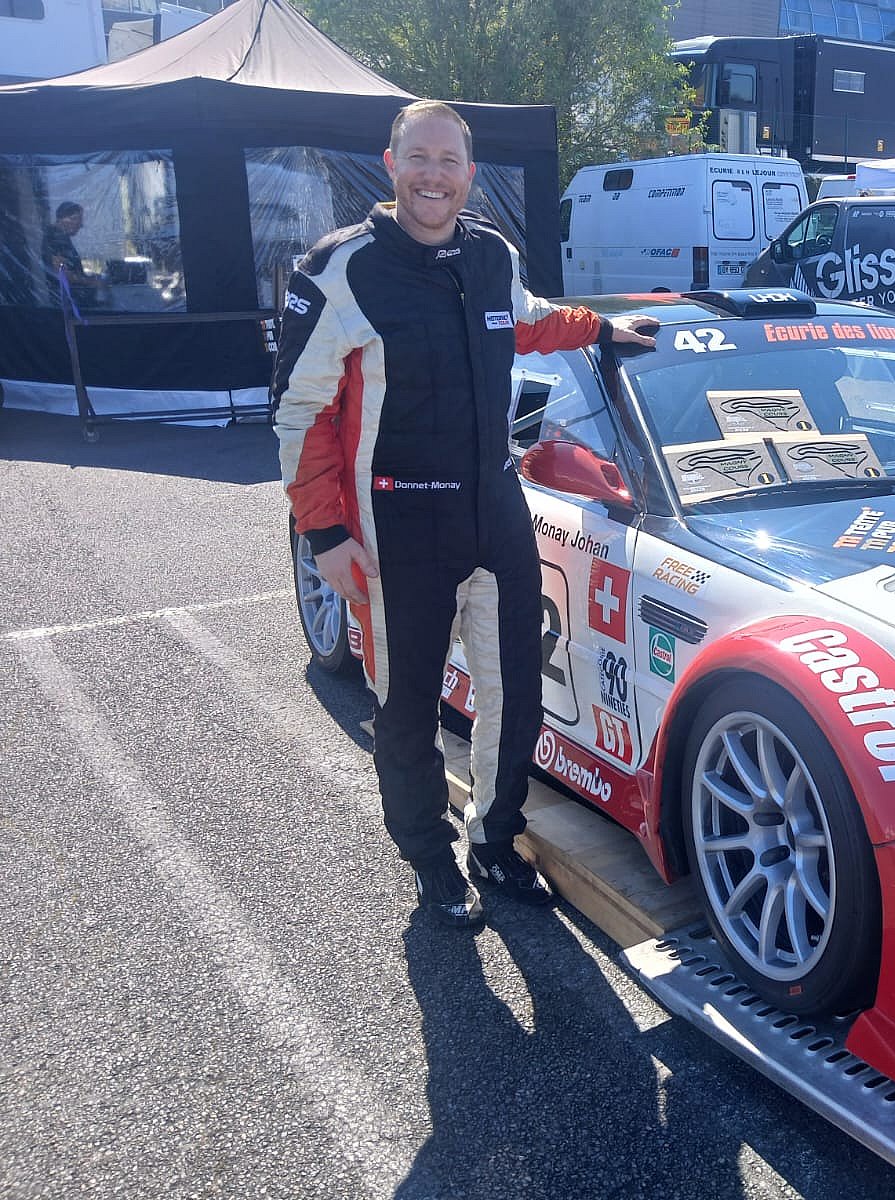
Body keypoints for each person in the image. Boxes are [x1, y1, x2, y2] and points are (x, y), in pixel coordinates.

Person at [272, 100, 658, 929]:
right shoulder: (341, 268)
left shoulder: (490, 254)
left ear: (470, 175)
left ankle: (493, 838)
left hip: (494, 510)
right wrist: (324, 532)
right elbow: (298, 412)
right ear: (391, 165)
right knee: (405, 706)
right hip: (395, 525)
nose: (433, 176)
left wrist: (603, 328)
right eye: (419, 158)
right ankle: (429, 858)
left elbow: (529, 320)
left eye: (449, 162)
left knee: (515, 693)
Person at [41, 201, 97, 307]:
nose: (81, 225)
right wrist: (90, 281)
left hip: (69, 300)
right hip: (65, 304)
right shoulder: (55, 238)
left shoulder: (61, 236)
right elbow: (62, 274)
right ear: (65, 219)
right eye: (77, 219)